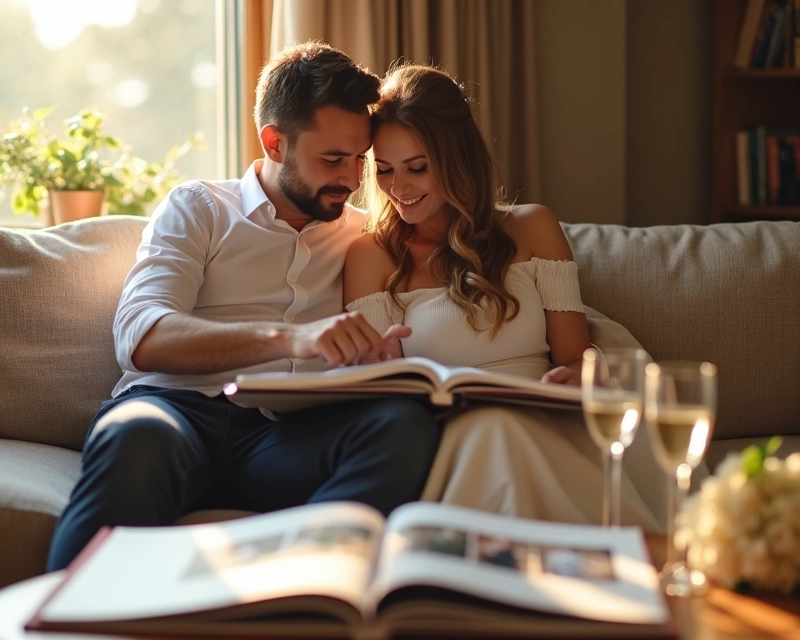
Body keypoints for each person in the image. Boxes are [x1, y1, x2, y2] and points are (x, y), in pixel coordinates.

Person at [46, 43, 441, 571]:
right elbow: (140, 337)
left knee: (402, 423)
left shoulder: (365, 236)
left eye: (358, 160)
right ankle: (71, 619)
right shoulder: (201, 208)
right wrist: (287, 338)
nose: (350, 178)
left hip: (284, 437)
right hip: (176, 418)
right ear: (274, 143)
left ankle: (295, 590)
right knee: (135, 433)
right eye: (331, 159)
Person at [343, 64, 664, 531]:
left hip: (544, 419)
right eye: (385, 170)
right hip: (449, 435)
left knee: (509, 429)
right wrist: (381, 367)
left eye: (417, 168)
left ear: (458, 159)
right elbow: (372, 396)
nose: (399, 189)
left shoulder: (533, 228)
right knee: (493, 430)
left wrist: (579, 376)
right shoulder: (371, 256)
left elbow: (574, 358)